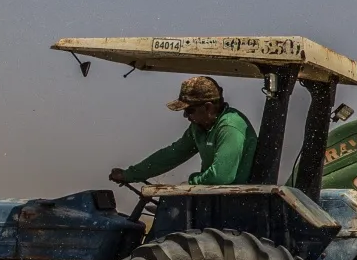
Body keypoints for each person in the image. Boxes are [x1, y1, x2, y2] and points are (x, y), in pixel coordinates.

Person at [108, 76, 257, 187]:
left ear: (208, 107)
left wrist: (191, 182)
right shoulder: (199, 128)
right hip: (214, 198)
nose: (186, 116)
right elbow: (173, 154)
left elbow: (221, 177)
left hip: (235, 203)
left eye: (189, 110)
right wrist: (130, 175)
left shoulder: (230, 127)